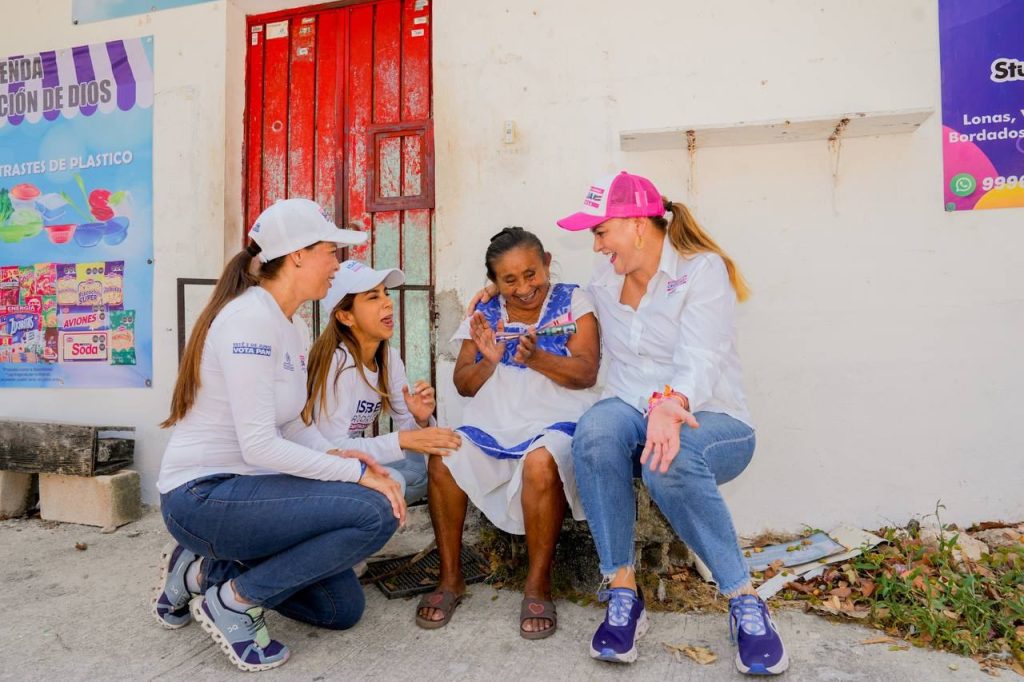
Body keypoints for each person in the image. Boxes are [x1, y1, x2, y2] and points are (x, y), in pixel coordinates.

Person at [152, 199, 405, 673]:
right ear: (297, 256)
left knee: (339, 610)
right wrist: (354, 475)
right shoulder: (249, 320)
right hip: (202, 497)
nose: (338, 264)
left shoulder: (286, 324)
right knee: (374, 513)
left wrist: (350, 461)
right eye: (331, 251)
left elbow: (292, 426)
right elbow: (260, 446)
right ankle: (231, 601)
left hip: (250, 494)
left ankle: (200, 571)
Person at [556, 171, 788, 674]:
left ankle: (743, 598)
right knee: (594, 433)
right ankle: (623, 591)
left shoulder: (702, 271)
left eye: (600, 232)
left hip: (713, 417)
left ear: (637, 224)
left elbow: (703, 358)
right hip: (631, 408)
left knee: (669, 456)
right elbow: (553, 305)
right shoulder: (603, 283)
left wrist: (671, 403)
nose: (596, 246)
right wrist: (492, 289)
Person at [417, 227, 600, 639]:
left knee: (540, 461)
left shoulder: (574, 301)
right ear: (495, 282)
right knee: (444, 456)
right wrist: (490, 360)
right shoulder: (483, 315)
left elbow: (587, 372)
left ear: (547, 263)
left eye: (531, 274)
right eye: (509, 280)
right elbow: (464, 384)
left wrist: (536, 359)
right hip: (492, 423)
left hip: (555, 420)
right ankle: (450, 578)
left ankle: (537, 585)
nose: (523, 288)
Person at [302, 260, 462, 504]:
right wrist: (401, 440)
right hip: (320, 468)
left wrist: (419, 418)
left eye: (385, 294)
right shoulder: (337, 363)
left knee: (428, 468)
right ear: (346, 316)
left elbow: (408, 429)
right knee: (394, 480)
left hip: (351, 456)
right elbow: (332, 447)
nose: (388, 302)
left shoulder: (389, 357)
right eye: (372, 297)